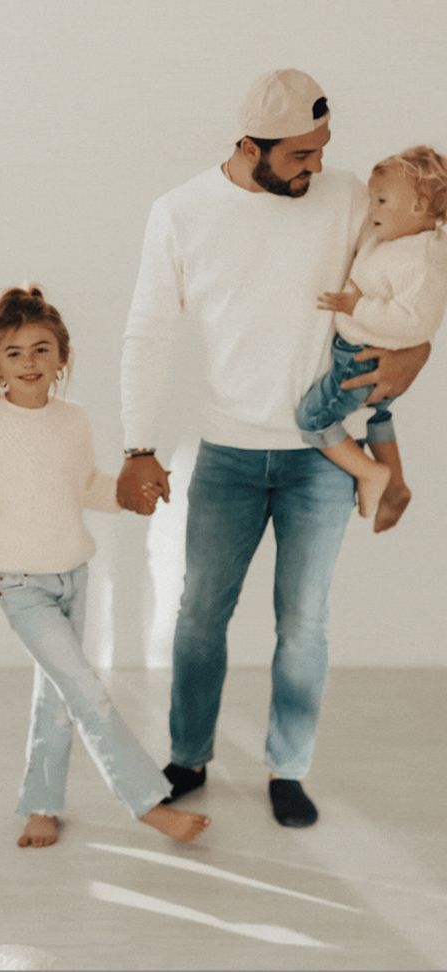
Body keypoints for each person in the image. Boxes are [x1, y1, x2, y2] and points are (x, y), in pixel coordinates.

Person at [118, 69, 430, 827]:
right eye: (299, 155)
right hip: (225, 452)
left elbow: (412, 279)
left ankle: (289, 769)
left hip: (320, 459)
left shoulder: (352, 196)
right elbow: (149, 332)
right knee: (198, 616)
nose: (317, 167)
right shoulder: (182, 213)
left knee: (306, 621)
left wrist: (415, 356)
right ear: (251, 147)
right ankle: (188, 755)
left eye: (322, 149)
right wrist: (138, 446)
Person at [0, 286, 210, 848]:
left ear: (62, 357)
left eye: (41, 349)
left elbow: (84, 487)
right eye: (14, 352)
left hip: (74, 576)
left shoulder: (72, 420)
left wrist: (130, 497)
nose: (29, 362)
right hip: (21, 585)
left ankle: (42, 803)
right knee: (85, 688)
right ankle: (147, 801)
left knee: (57, 695)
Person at [297, 146, 447, 527]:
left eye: (381, 201)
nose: (372, 209)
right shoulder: (397, 237)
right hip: (364, 355)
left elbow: (416, 322)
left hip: (363, 360)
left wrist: (355, 308)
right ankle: (395, 486)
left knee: (313, 418)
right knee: (377, 416)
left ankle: (371, 473)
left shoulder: (421, 260)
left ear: (417, 207)